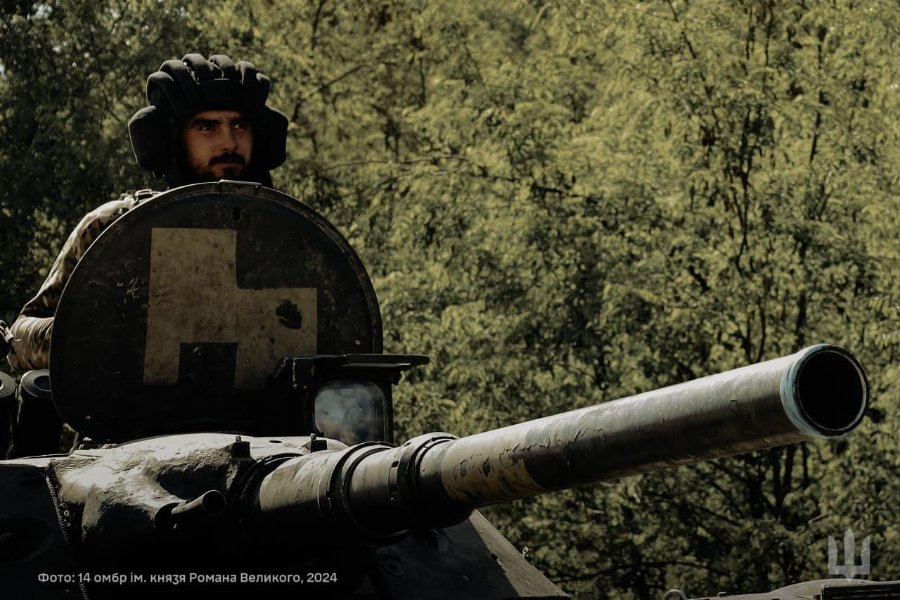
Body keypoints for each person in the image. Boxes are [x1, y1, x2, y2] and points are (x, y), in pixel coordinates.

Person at [6, 53, 288, 372]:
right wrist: (94, 330)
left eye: (240, 125)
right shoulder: (117, 228)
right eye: (207, 127)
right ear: (173, 140)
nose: (229, 143)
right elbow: (20, 337)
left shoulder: (288, 235)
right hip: (134, 404)